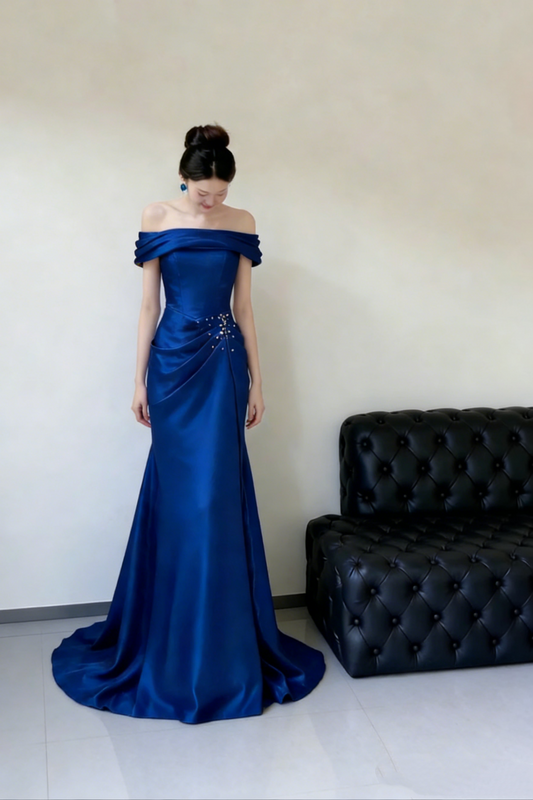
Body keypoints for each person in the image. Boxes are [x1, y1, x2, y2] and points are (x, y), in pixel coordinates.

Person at [51, 124, 326, 724]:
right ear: (185, 178)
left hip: (223, 364)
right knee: (181, 498)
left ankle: (222, 645)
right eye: (204, 192)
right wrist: (136, 380)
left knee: (215, 497)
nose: (212, 201)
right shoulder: (156, 216)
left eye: (221, 192)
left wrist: (258, 381)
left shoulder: (242, 222)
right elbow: (149, 305)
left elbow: (243, 307)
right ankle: (169, 637)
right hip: (172, 365)